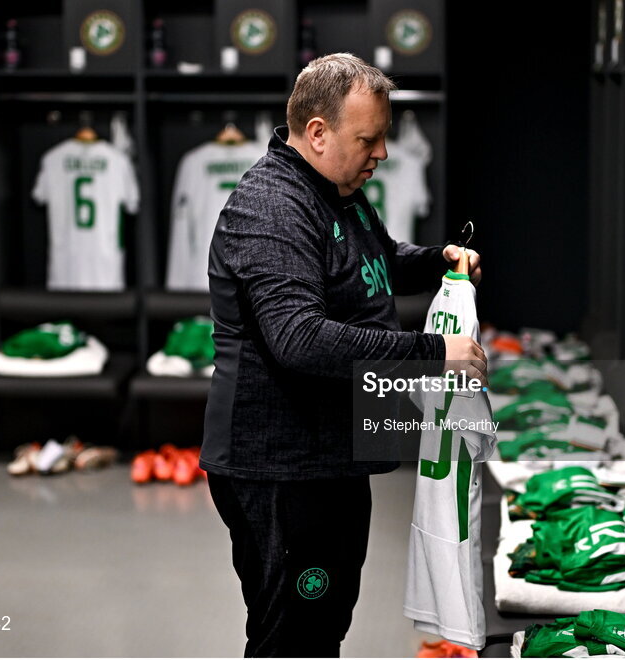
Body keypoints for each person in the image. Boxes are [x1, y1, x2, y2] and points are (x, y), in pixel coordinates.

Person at [201, 53, 486, 657]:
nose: (382, 153)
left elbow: (376, 259)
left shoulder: (338, 190)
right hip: (277, 465)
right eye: (370, 139)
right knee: (291, 639)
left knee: (323, 627)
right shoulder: (272, 207)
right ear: (317, 133)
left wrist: (437, 261)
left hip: (329, 454)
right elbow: (300, 338)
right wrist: (435, 352)